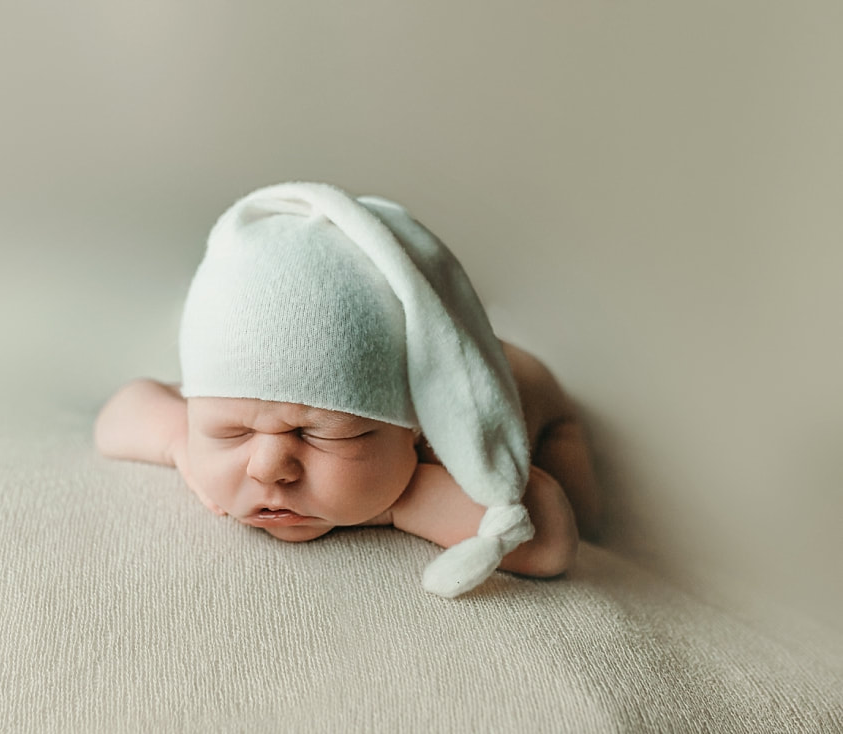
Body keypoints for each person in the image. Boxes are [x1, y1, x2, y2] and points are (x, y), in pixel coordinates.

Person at [95, 182, 601, 597]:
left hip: (546, 408)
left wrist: (396, 501)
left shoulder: (444, 431)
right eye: (230, 432)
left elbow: (550, 538)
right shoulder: (232, 387)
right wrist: (183, 444)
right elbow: (121, 411)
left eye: (321, 435)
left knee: (592, 516)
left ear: (412, 429)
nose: (267, 467)